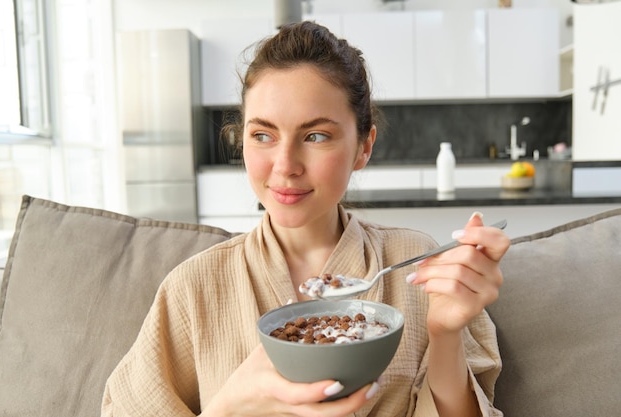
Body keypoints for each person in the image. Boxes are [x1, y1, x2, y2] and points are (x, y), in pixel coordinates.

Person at [102, 21, 510, 417]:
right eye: (263, 135)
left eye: (315, 136)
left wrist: (445, 333)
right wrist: (229, 408)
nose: (285, 166)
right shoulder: (192, 289)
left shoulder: (419, 264)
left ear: (363, 147)